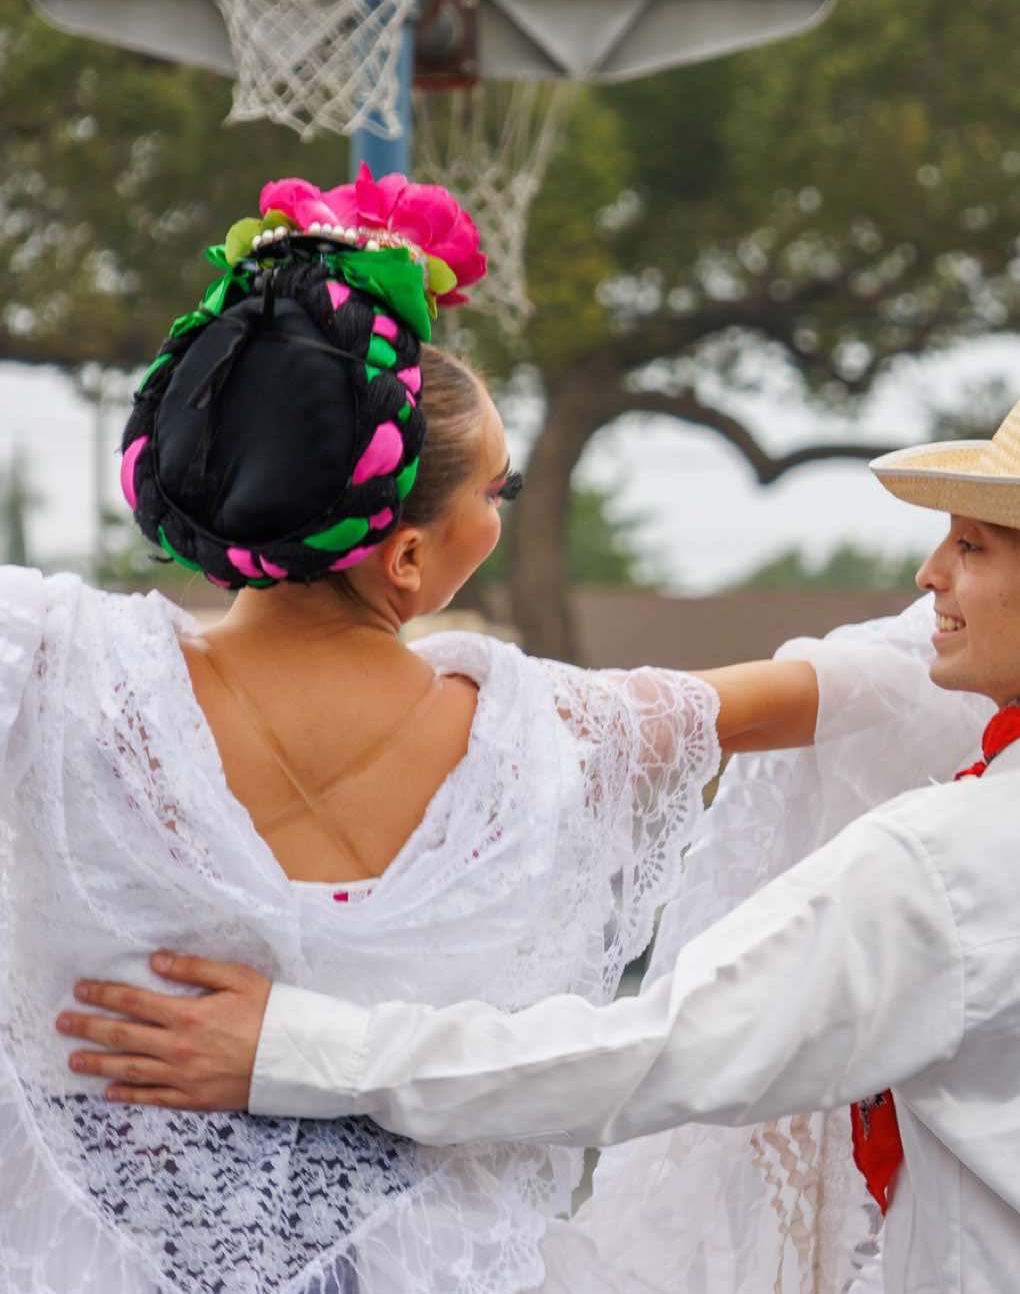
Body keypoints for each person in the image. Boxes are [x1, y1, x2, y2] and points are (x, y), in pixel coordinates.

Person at [58, 359, 1020, 1293]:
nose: (932, 574)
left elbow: (641, 1056)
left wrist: (295, 1047)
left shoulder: (945, 869)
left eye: (975, 544)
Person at [0, 168, 834, 1294]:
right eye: (499, 490)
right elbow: (830, 691)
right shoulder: (548, 739)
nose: (502, 512)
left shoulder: (61, 672)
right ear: (405, 556)